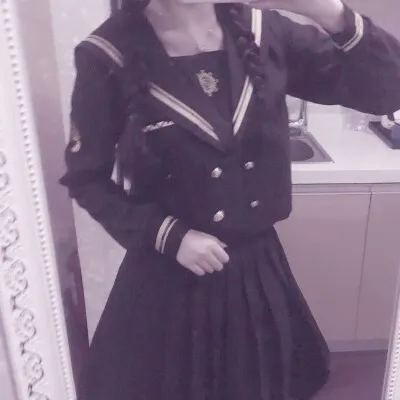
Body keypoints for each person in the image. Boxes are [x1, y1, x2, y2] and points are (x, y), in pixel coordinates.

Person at [60, 0, 400, 398]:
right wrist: (170, 236)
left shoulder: (263, 31)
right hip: (170, 279)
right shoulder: (106, 55)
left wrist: (326, 11)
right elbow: (87, 179)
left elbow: (386, 90)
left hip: (257, 272)